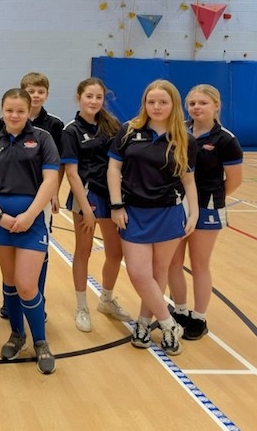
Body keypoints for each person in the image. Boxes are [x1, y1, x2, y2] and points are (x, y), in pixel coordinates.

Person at [107, 79, 198, 356]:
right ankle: (170, 324)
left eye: (163, 102)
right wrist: (116, 205)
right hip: (133, 212)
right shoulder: (129, 130)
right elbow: (113, 170)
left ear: (173, 105)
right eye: (151, 101)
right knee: (138, 272)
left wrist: (193, 213)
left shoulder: (185, 139)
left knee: (159, 273)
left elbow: (189, 181)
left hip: (168, 213)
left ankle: (144, 324)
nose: (156, 107)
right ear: (144, 103)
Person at [0, 88, 59, 374]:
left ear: (28, 112)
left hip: (31, 221)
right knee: (10, 282)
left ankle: (40, 342)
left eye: (20, 111)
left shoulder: (43, 138)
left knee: (27, 284)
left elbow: (50, 181)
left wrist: (29, 215)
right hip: (0, 222)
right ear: (2, 110)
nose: (14, 115)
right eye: (9, 110)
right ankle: (17, 334)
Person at [168, 85, 243, 340]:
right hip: (177, 204)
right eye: (192, 103)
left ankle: (198, 318)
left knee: (199, 264)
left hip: (207, 207)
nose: (196, 108)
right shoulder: (179, 132)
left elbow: (234, 180)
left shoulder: (225, 139)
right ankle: (179, 310)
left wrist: (213, 197)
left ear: (216, 106)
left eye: (202, 103)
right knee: (173, 262)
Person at [61, 77, 132, 332]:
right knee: (83, 251)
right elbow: (71, 172)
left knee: (115, 252)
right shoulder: (71, 130)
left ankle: (106, 299)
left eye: (98, 97)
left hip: (111, 196)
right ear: (78, 97)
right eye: (89, 96)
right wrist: (85, 207)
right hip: (87, 196)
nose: (93, 101)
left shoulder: (113, 126)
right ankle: (82, 306)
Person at [0, 72, 65, 321]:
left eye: (40, 91)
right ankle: (10, 303)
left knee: (39, 252)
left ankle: (38, 299)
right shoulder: (4, 124)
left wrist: (55, 192)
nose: (36, 95)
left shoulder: (54, 126)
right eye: (31, 90)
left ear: (46, 94)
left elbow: (57, 165)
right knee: (11, 256)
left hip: (40, 198)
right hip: (10, 196)